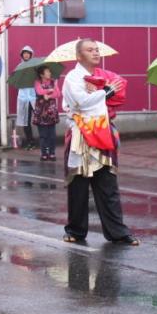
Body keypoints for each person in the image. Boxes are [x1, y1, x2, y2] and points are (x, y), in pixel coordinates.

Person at [61, 39, 139, 246]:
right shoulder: (72, 77)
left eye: (97, 49)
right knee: (78, 186)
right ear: (78, 56)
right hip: (81, 135)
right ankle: (76, 230)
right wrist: (104, 92)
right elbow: (80, 102)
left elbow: (119, 93)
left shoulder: (103, 75)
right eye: (90, 50)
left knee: (108, 184)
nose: (95, 53)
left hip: (102, 132)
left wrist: (100, 90)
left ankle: (117, 232)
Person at [33, 64, 60, 161]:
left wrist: (49, 96)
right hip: (41, 112)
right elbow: (39, 91)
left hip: (51, 112)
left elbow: (58, 93)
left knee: (52, 135)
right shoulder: (37, 82)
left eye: (49, 71)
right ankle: (44, 153)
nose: (49, 73)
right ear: (41, 74)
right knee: (43, 135)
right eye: (47, 72)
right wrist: (49, 90)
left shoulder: (53, 81)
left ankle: (52, 153)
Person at [16, 45, 37, 150]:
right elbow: (16, 81)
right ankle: (30, 142)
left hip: (34, 97)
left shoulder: (35, 66)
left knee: (41, 119)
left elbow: (38, 80)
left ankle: (43, 141)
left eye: (28, 53)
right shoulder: (19, 66)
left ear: (31, 55)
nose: (26, 55)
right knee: (25, 121)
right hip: (23, 97)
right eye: (24, 53)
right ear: (22, 55)